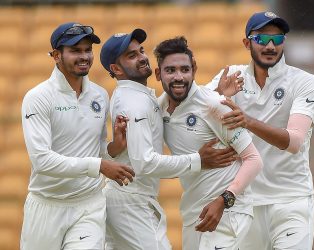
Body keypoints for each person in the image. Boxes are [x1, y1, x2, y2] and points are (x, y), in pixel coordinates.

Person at [99, 29, 237, 250]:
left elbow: (178, 96)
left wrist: (214, 91)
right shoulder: (135, 102)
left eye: (141, 51)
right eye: (131, 56)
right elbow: (145, 163)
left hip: (128, 199)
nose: (142, 57)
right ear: (115, 69)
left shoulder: (138, 95)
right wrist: (198, 160)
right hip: (131, 202)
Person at [207, 11, 314, 249]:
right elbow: (196, 116)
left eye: (277, 40)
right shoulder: (230, 77)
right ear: (247, 43)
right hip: (245, 203)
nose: (270, 46)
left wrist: (247, 121)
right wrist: (218, 97)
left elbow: (294, 142)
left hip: (291, 200)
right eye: (261, 40)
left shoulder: (304, 81)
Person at [20, 22, 135, 250]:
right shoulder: (38, 98)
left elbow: (97, 149)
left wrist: (115, 147)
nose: (84, 56)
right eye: (75, 50)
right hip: (46, 205)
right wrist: (100, 165)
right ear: (56, 55)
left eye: (87, 50)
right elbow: (42, 161)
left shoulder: (100, 96)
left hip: (88, 204)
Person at [153, 36, 263, 250]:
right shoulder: (158, 109)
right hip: (194, 214)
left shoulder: (213, 105)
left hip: (229, 210)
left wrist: (224, 200)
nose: (179, 77)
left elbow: (254, 160)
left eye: (185, 69)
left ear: (194, 69)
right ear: (158, 74)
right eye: (170, 70)